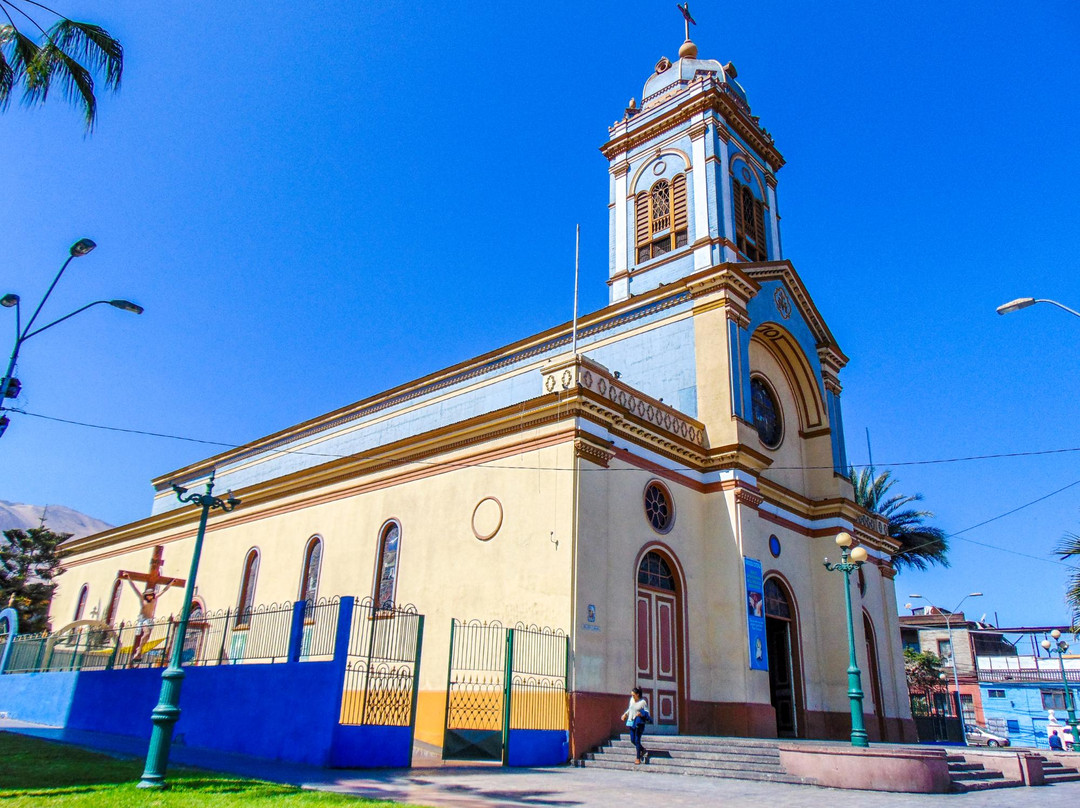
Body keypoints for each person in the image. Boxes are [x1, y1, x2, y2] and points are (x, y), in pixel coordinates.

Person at [621, 686, 650, 764]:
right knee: (632, 740)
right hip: (631, 722)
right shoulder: (632, 700)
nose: (632, 696)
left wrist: (641, 714)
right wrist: (625, 715)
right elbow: (630, 709)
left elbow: (647, 712)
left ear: (637, 694)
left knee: (637, 740)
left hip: (639, 723)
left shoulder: (643, 702)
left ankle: (638, 758)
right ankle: (642, 749)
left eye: (633, 695)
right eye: (631, 695)